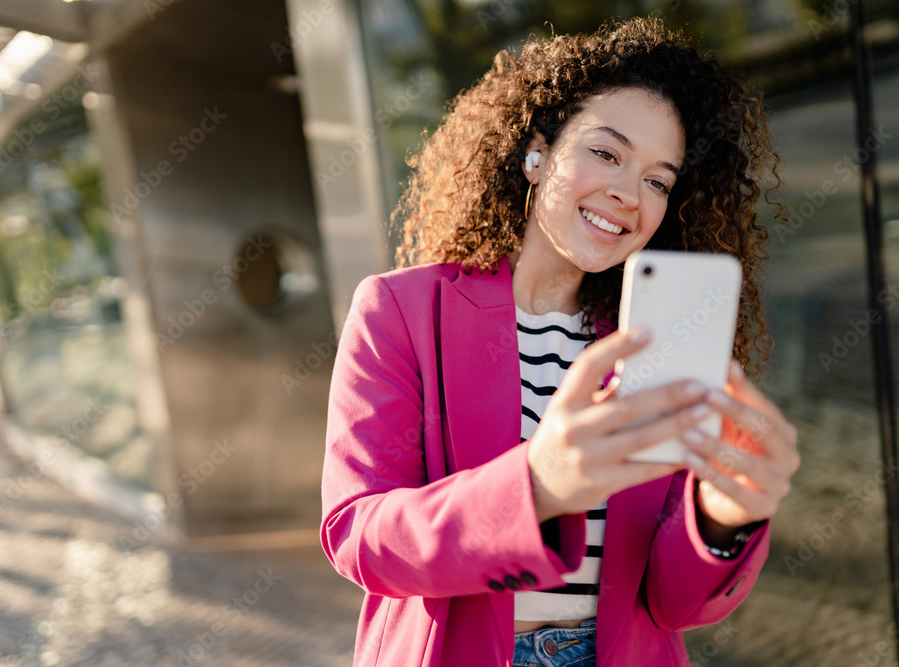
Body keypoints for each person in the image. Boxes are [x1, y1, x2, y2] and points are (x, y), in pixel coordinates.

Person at [320, 16, 800, 667]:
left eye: (659, 180)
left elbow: (672, 604)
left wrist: (721, 518)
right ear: (537, 153)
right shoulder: (401, 309)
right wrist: (537, 486)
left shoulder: (653, 340)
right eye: (606, 153)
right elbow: (359, 534)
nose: (629, 193)